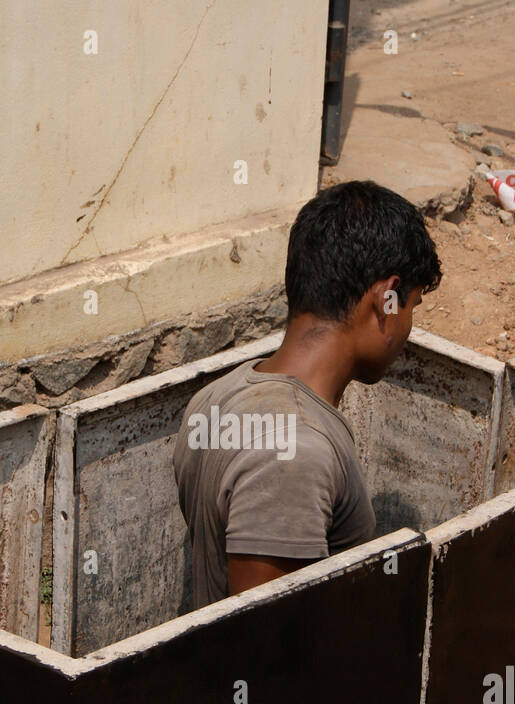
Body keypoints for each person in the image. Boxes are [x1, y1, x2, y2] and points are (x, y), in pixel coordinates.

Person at [172, 180, 442, 608]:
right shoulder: (296, 455)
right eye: (412, 307)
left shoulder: (216, 396)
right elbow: (271, 646)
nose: (408, 327)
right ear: (386, 301)